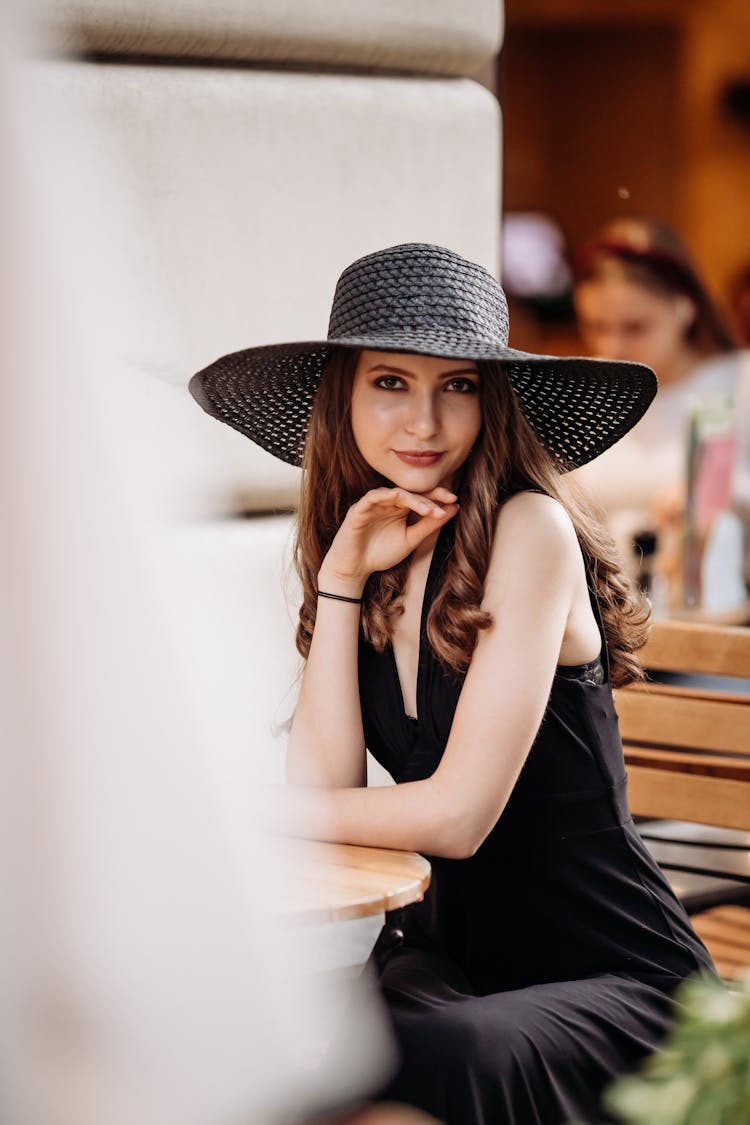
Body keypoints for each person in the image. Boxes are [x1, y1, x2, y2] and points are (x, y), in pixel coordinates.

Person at [190, 243, 714, 1125]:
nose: (424, 422)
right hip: (453, 961)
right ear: (343, 398)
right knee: (263, 1034)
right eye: (390, 383)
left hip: (610, 972)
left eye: (459, 385)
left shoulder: (530, 530)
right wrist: (342, 580)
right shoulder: (371, 547)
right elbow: (325, 793)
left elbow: (456, 819)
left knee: (428, 1054)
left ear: (492, 399)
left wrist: (241, 812)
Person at [571, 217, 748, 598]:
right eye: (596, 326)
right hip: (606, 607)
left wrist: (720, 493)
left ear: (685, 307)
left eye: (635, 327)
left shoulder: (739, 381)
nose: (612, 348)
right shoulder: (586, 388)